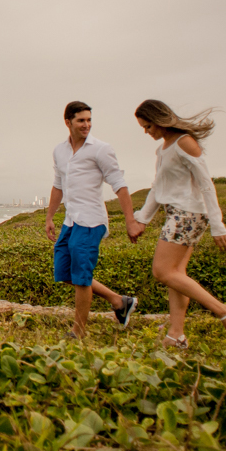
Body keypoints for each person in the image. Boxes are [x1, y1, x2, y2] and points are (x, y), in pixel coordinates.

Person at [133, 99, 226, 348]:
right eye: (143, 127)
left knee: (162, 271)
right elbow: (158, 187)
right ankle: (176, 334)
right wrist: (142, 218)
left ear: (160, 120)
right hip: (177, 213)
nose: (146, 132)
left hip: (188, 214)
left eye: (148, 126)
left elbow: (206, 184)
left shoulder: (184, 142)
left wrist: (218, 225)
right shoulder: (163, 149)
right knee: (176, 275)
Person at [46, 101, 142, 339]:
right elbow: (58, 185)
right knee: (64, 271)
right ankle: (119, 301)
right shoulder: (59, 151)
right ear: (68, 122)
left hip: (91, 221)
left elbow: (119, 185)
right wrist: (49, 217)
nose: (86, 125)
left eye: (89, 120)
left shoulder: (100, 149)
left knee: (81, 277)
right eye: (81, 120)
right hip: (71, 220)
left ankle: (78, 332)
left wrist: (130, 221)